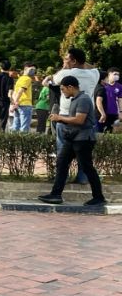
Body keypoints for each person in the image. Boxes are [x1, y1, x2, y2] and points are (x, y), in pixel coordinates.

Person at [39, 75, 106, 206]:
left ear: (71, 87)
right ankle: (56, 194)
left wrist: (60, 118)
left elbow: (79, 120)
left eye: (63, 89)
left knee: (87, 168)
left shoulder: (83, 99)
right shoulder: (75, 99)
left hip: (83, 139)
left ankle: (99, 197)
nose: (62, 92)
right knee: (62, 162)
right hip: (73, 138)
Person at [52, 48, 100, 184]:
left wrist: (65, 66)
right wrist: (81, 61)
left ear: (73, 61)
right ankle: (83, 177)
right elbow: (93, 67)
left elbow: (55, 79)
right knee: (83, 152)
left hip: (65, 116)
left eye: (67, 58)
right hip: (86, 117)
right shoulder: (93, 74)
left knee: (62, 149)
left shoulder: (65, 73)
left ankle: (62, 177)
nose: (64, 60)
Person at [10, 62, 36, 132]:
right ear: (26, 68)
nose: (33, 71)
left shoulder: (20, 78)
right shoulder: (28, 79)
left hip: (18, 105)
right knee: (24, 128)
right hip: (25, 105)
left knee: (16, 127)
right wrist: (15, 103)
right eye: (32, 69)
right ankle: (23, 143)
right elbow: (20, 91)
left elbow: (14, 92)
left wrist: (15, 103)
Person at [102, 68, 122, 133]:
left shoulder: (119, 86)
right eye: (115, 74)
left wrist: (121, 112)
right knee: (103, 131)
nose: (117, 76)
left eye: (118, 75)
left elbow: (120, 100)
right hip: (103, 112)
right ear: (109, 74)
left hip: (114, 112)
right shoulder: (103, 85)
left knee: (112, 132)